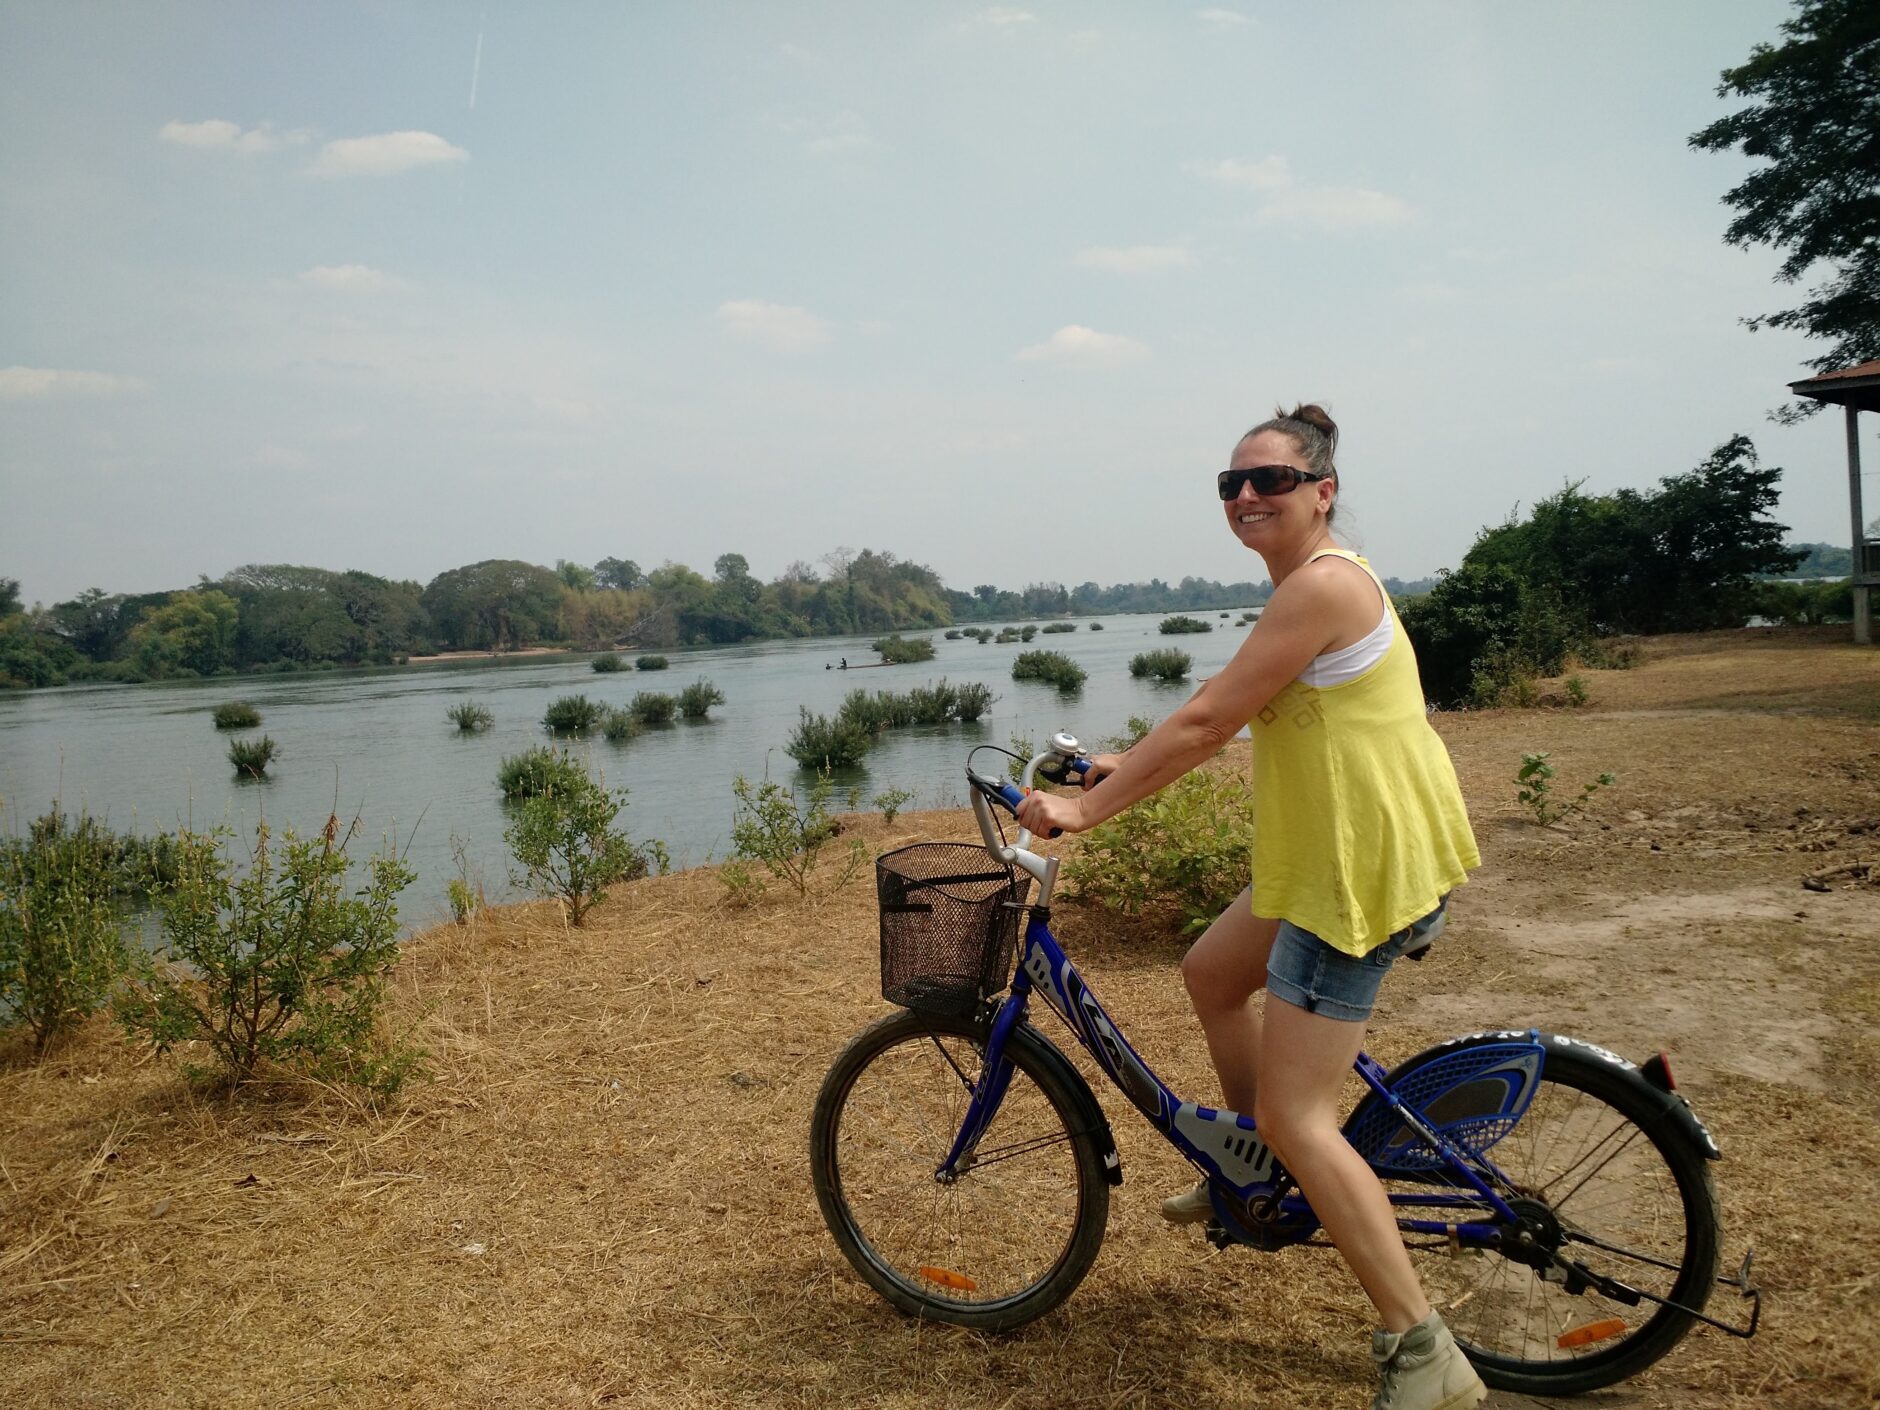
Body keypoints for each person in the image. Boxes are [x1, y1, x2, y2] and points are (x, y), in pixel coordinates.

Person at [1015, 405, 1485, 1410]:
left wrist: (1085, 808)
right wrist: (1112, 763)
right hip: (1327, 857)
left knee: (1300, 1108)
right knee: (1210, 973)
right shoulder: (1310, 590)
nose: (1243, 498)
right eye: (1228, 485)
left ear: (1320, 490)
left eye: (1268, 480)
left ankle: (1421, 1351)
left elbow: (1203, 720)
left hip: (1355, 876)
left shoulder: (1318, 587)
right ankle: (1257, 1176)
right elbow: (1232, 713)